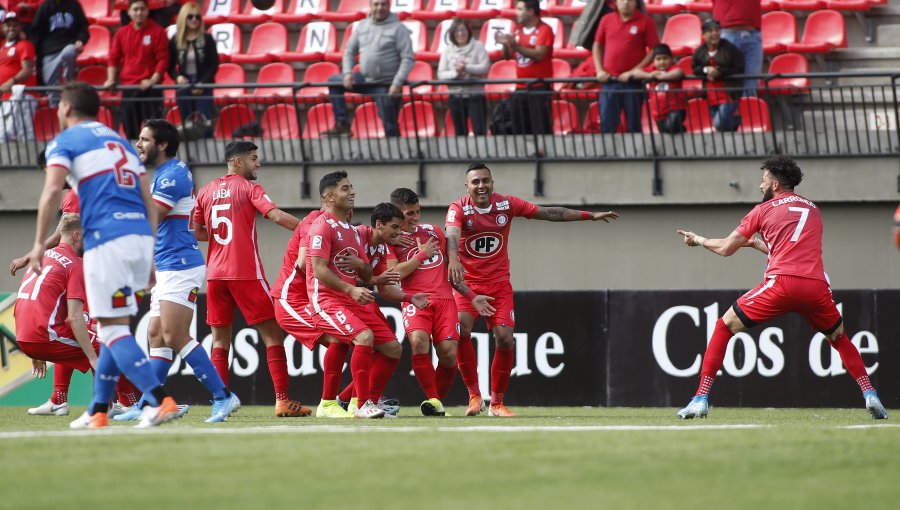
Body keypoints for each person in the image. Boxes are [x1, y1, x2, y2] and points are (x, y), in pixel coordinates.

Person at [675, 155, 888, 420]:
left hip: (782, 284)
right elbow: (790, 250)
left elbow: (726, 248)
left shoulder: (762, 210)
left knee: (724, 325)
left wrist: (699, 239)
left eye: (763, 180)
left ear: (775, 184)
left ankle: (700, 398)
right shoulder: (812, 208)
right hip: (816, 285)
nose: (760, 185)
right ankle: (870, 394)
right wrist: (756, 245)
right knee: (839, 338)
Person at [27, 81, 179, 429]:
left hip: (106, 243)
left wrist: (38, 243)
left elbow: (52, 191)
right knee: (115, 324)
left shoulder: (65, 141)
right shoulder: (123, 145)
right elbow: (147, 200)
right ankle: (98, 408)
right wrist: (149, 256)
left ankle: (159, 400)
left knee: (110, 330)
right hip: (138, 242)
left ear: (65, 108)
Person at [446, 163, 619, 416]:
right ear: (467, 186)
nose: (481, 186)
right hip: (468, 284)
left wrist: (589, 216)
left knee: (505, 339)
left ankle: (497, 403)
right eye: (476, 182)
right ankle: (474, 396)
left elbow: (549, 213)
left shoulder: (506, 204)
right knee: (461, 332)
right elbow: (451, 234)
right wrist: (453, 258)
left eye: (486, 180)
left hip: (498, 284)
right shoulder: (458, 208)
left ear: (492, 182)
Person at [112, 119, 240, 423]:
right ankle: (149, 403)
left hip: (180, 265)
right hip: (167, 264)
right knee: (156, 335)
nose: (139, 145)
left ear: (163, 144)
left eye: (144, 139)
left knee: (174, 333)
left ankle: (223, 396)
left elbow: (151, 218)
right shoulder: (162, 175)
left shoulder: (173, 175)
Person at [192, 140, 312, 418]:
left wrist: (226, 236)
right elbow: (274, 215)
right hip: (244, 273)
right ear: (237, 162)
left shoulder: (206, 190)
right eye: (253, 158)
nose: (258, 163)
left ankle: (220, 400)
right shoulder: (249, 188)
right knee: (272, 336)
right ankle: (282, 400)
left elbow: (197, 232)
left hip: (215, 275)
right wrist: (308, 227)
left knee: (220, 341)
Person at [305, 172, 413, 419]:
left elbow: (364, 270)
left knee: (393, 349)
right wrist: (351, 289)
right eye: (345, 188)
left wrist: (363, 274)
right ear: (329, 196)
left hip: (351, 299)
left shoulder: (352, 231)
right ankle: (360, 404)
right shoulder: (321, 226)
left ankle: (365, 403)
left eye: (351, 187)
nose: (352, 192)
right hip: (326, 300)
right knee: (364, 337)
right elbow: (318, 270)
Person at [390, 188, 495, 416]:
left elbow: (452, 272)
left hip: (446, 300)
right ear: (397, 213)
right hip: (417, 301)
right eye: (410, 213)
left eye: (418, 211)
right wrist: (421, 255)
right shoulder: (392, 240)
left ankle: (435, 404)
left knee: (448, 354)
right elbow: (395, 274)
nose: (416, 217)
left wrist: (471, 297)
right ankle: (434, 399)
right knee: (418, 342)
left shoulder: (434, 231)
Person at [16, 214, 97, 417]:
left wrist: (35, 351)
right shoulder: (74, 264)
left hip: (25, 336)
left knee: (70, 333)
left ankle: (59, 400)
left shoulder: (41, 257)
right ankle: (118, 404)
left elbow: (24, 304)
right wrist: (93, 357)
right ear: (77, 236)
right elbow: (75, 317)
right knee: (110, 343)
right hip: (42, 337)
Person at [321, 0, 414, 137]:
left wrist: (397, 83)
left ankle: (397, 153)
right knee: (334, 81)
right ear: (371, 6)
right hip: (365, 79)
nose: (379, 8)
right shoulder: (362, 26)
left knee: (390, 124)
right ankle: (342, 124)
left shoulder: (399, 29)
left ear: (389, 6)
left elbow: (408, 58)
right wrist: (347, 73)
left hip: (386, 84)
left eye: (383, 4)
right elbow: (349, 52)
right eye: (376, 4)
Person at [104, 0, 169, 140]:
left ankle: (154, 161)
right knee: (130, 129)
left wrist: (152, 80)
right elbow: (113, 58)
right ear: (129, 12)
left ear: (147, 11)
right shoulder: (121, 33)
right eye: (135, 9)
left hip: (151, 89)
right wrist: (110, 78)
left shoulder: (158, 31)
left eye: (142, 9)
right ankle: (135, 160)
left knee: (154, 131)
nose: (139, 12)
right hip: (129, 87)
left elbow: (163, 60)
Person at [592, 0, 658, 133]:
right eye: (621, 0)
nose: (626, 3)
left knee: (633, 125)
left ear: (636, 3)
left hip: (633, 82)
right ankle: (608, 154)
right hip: (609, 81)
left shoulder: (646, 21)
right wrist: (599, 70)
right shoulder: (606, 19)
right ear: (615, 3)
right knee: (606, 124)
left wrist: (635, 71)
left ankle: (636, 154)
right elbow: (597, 45)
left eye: (630, 0)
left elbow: (654, 49)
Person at [496, 0, 554, 135]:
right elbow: (507, 56)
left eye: (520, 9)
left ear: (530, 11)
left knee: (541, 129)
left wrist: (515, 46)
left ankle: (542, 155)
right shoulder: (517, 30)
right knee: (520, 128)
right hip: (520, 88)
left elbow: (539, 55)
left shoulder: (544, 29)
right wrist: (506, 44)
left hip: (539, 87)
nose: (517, 12)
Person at [168, 2, 218, 138]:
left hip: (204, 85)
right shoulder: (176, 40)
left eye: (197, 17)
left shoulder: (207, 39)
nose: (194, 20)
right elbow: (170, 65)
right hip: (184, 86)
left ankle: (210, 156)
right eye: (190, 17)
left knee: (205, 122)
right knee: (187, 124)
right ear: (183, 18)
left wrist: (203, 83)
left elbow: (214, 64)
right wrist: (177, 77)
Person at [29, 0, 89, 105]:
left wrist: (81, 40)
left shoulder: (74, 5)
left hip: (68, 44)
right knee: (52, 87)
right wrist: (37, 52)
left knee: (69, 52)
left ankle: (69, 82)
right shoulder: (45, 6)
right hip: (49, 51)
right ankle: (54, 112)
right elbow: (36, 31)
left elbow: (83, 27)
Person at [437, 18, 489, 137]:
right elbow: (441, 74)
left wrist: (466, 68)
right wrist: (456, 73)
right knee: (460, 132)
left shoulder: (478, 46)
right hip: (455, 96)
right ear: (452, 33)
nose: (460, 33)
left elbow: (484, 67)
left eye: (463, 30)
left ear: (469, 31)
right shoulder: (447, 50)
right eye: (457, 31)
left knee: (479, 131)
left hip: (475, 96)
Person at [692, 19, 743, 132]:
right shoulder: (699, 52)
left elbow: (739, 68)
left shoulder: (730, 49)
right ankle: (734, 124)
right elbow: (695, 69)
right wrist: (706, 70)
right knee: (723, 129)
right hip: (711, 96)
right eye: (710, 31)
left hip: (729, 95)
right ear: (703, 35)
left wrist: (719, 72)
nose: (714, 33)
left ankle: (735, 121)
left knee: (718, 124)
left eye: (717, 30)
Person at [625, 44, 686, 134]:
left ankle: (683, 129)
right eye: (658, 59)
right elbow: (636, 72)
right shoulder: (652, 69)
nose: (662, 62)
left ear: (671, 59)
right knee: (664, 132)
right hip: (658, 112)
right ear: (653, 61)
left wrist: (662, 77)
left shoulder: (673, 68)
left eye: (665, 58)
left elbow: (679, 73)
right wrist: (649, 75)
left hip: (675, 109)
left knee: (670, 127)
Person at [0, 12, 37, 142]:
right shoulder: (2, 47)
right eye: (8, 25)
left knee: (25, 136)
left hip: (22, 95)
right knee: (3, 137)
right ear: (2, 27)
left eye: (15, 25)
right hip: (6, 98)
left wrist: (12, 81)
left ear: (20, 27)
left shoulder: (24, 44)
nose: (11, 28)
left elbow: (28, 69)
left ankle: (32, 162)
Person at [713, 0, 762, 97]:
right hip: (728, 32)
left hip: (752, 33)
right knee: (728, 84)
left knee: (751, 83)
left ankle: (748, 111)